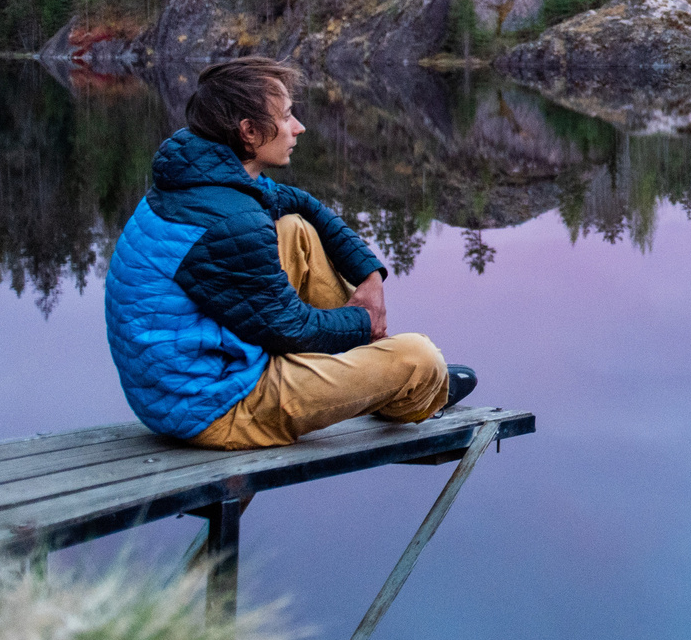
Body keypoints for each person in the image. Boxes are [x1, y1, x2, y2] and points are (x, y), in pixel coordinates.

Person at [104, 56, 478, 448]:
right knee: (419, 358)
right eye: (285, 117)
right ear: (249, 131)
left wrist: (369, 274)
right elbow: (291, 328)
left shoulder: (201, 173)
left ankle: (375, 371)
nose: (298, 127)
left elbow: (300, 203)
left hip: (183, 378)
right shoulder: (232, 221)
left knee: (295, 229)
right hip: (213, 407)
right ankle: (411, 392)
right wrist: (364, 323)